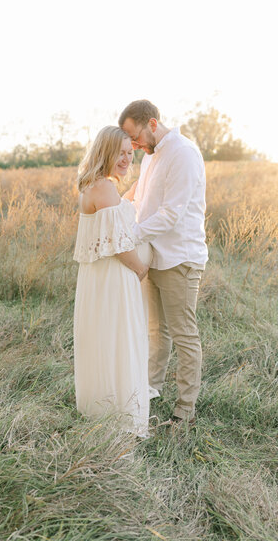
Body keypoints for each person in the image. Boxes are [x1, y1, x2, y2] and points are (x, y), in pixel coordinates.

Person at [119, 100, 208, 424]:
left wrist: (130, 236)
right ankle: (150, 390)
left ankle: (185, 412)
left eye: (135, 136)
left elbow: (171, 213)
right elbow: (140, 196)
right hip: (154, 256)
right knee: (157, 331)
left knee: (184, 334)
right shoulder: (150, 156)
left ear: (152, 123)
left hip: (180, 258)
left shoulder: (182, 153)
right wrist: (112, 208)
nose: (133, 145)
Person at [73, 125, 152, 437]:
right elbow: (118, 243)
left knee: (107, 339)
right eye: (120, 152)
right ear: (105, 151)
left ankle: (102, 410)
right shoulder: (103, 187)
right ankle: (119, 416)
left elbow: (115, 217)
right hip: (112, 277)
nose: (126, 158)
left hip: (101, 277)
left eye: (130, 153)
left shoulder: (99, 185)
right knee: (118, 338)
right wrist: (141, 269)